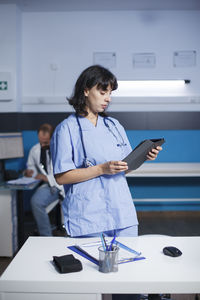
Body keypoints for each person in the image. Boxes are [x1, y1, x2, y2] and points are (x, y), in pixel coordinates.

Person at [50, 65, 162, 239]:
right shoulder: (66, 129)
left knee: (130, 264)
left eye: (110, 93)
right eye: (103, 93)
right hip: (88, 217)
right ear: (86, 90)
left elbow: (126, 167)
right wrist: (101, 169)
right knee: (91, 265)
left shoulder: (114, 126)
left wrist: (144, 157)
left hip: (122, 213)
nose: (108, 98)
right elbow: (62, 177)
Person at [24, 123, 64, 236]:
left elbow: (65, 171)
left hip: (61, 185)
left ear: (52, 138)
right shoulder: (35, 149)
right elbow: (31, 166)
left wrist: (46, 178)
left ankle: (64, 231)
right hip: (48, 185)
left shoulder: (61, 149)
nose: (42, 144)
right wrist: (30, 171)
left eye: (45, 142)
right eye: (40, 141)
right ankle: (46, 236)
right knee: (36, 202)